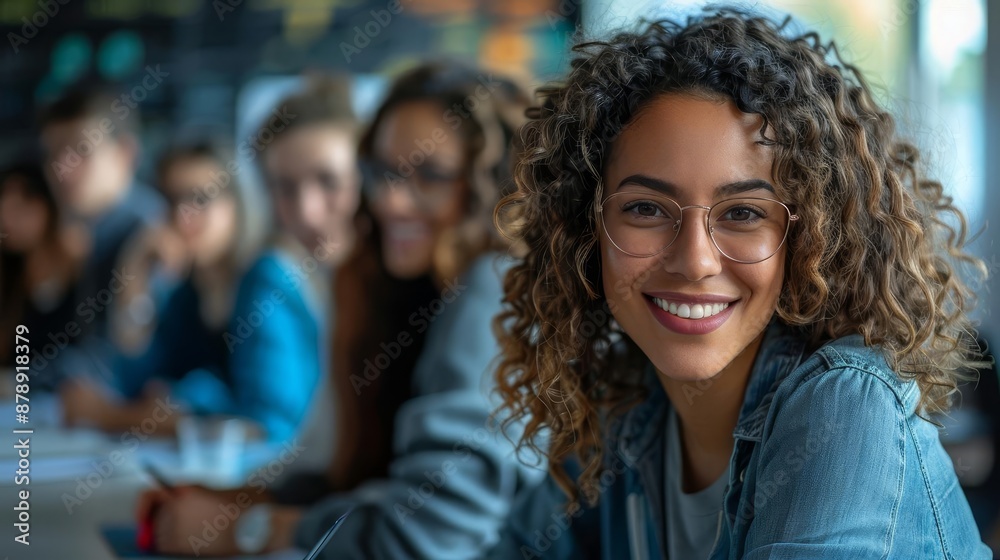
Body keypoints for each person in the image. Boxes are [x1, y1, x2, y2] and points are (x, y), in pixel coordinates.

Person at [488, 9, 992, 559]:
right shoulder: (625, 409)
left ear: (811, 238)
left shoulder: (846, 408)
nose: (695, 261)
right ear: (588, 230)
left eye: (744, 213)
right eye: (644, 208)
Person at [136, 62, 544, 559]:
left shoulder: (493, 283)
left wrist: (256, 528)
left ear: (499, 184)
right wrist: (243, 503)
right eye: (383, 173)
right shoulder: (398, 289)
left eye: (431, 175)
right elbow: (364, 481)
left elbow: (432, 536)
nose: (391, 201)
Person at [36, 85, 164, 389]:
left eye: (80, 150)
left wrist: (22, 379)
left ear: (125, 153)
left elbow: (119, 362)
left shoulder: (152, 234)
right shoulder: (79, 234)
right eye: (52, 153)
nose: (61, 169)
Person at [0, 161, 81, 367]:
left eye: (19, 209)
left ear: (48, 204)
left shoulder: (80, 259)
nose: (7, 222)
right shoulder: (11, 269)